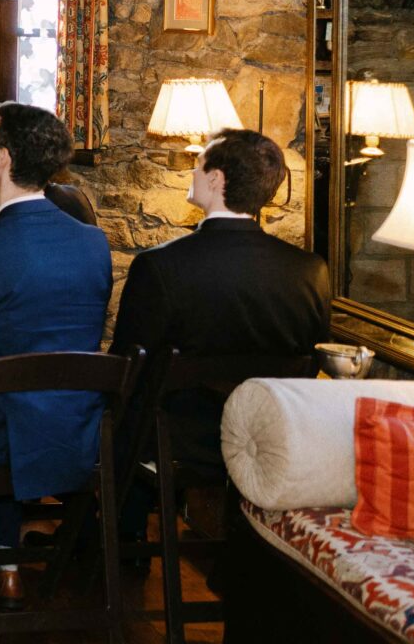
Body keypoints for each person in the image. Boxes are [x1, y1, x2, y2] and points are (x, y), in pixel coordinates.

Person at [111, 127, 330, 542]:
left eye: (198, 166)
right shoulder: (310, 270)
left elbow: (127, 369)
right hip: (268, 436)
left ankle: (123, 542)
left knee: (121, 409)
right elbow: (311, 361)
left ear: (216, 179)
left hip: (183, 442)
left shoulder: (160, 266)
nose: (191, 173)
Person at [0, 101, 113, 609]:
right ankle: (5, 565)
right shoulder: (94, 243)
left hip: (1, 439)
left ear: (5, 159)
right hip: (77, 431)